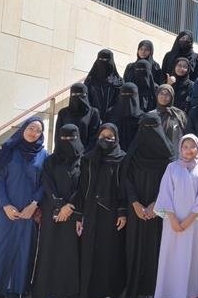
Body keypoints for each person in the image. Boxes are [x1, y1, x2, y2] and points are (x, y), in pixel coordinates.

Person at [0, 117, 46, 298]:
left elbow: (45, 184)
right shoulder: (7, 151)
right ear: (23, 129)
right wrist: (5, 205)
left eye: (38, 131)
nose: (34, 133)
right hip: (5, 212)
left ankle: (16, 292)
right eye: (31, 128)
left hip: (28, 214)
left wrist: (34, 204)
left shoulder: (43, 155)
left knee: (23, 252)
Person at [153, 133, 198, 298]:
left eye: (192, 146)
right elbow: (165, 193)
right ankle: (167, 292)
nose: (189, 150)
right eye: (185, 146)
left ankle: (189, 293)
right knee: (171, 257)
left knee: (191, 257)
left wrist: (189, 220)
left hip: (193, 223)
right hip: (172, 222)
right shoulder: (171, 167)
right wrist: (173, 219)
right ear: (180, 148)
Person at [122, 113, 176, 297]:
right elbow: (126, 178)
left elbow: (170, 183)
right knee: (133, 246)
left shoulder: (168, 155)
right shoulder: (133, 153)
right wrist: (134, 202)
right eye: (146, 127)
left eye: (153, 127)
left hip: (157, 210)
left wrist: (156, 203)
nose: (149, 132)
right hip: (135, 208)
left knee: (155, 246)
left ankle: (154, 288)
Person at [32, 123, 83, 298]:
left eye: (72, 138)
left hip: (74, 212)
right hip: (52, 211)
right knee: (49, 249)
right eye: (64, 138)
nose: (68, 141)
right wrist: (60, 205)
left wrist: (69, 207)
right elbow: (47, 183)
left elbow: (84, 187)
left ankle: (68, 291)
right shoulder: (50, 160)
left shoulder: (84, 160)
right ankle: (46, 289)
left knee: (70, 252)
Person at [78, 123, 128, 298]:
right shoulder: (88, 159)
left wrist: (123, 211)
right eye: (102, 136)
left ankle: (109, 291)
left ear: (116, 138)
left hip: (112, 213)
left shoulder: (122, 158)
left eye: (109, 137)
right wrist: (80, 215)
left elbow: (124, 187)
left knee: (109, 253)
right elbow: (82, 187)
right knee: (91, 251)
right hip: (91, 212)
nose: (105, 140)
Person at [58, 82, 101, 149]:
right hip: (65, 155)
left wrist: (85, 155)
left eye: (81, 94)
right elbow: (58, 136)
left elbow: (94, 137)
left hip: (86, 155)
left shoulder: (93, 113)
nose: (78, 97)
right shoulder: (63, 113)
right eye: (74, 94)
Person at [85, 49, 124, 118]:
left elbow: (121, 102)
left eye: (106, 59)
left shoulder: (119, 82)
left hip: (111, 120)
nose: (103, 62)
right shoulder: (90, 80)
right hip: (92, 119)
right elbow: (86, 99)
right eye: (101, 59)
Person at [108, 82, 145, 150]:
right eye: (124, 94)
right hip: (114, 153)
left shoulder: (142, 116)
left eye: (131, 94)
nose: (127, 97)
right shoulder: (111, 113)